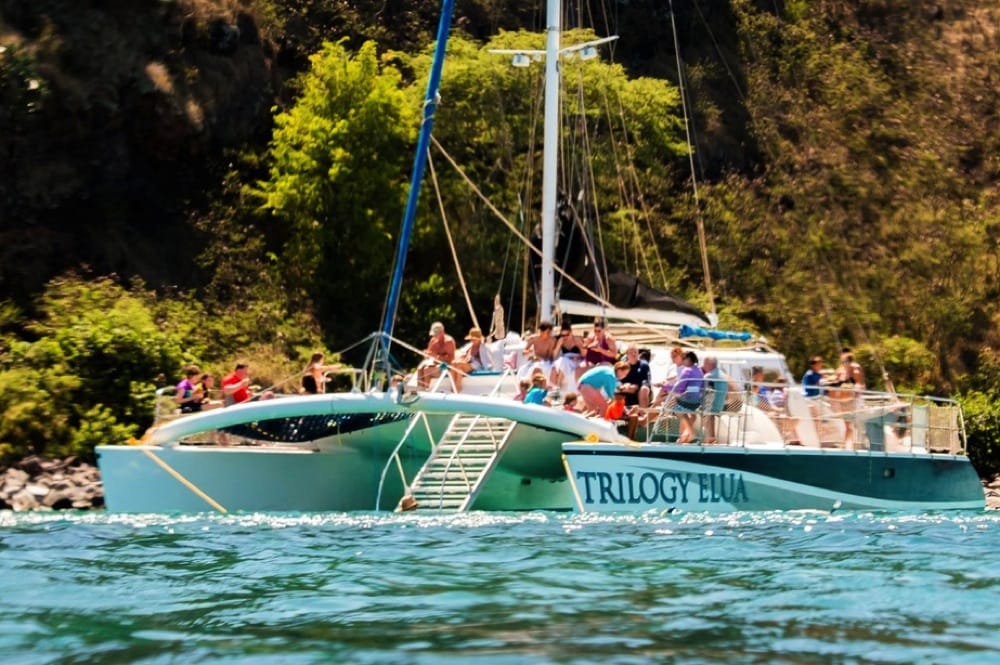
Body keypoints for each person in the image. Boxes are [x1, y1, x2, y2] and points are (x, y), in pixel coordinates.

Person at [668, 351, 705, 444]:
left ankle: (690, 432)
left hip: (688, 401)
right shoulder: (699, 371)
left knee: (674, 407)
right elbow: (700, 387)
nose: (682, 360)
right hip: (697, 402)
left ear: (688, 359)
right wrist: (687, 391)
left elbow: (678, 388)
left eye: (683, 358)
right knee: (687, 412)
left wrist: (664, 386)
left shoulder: (687, 370)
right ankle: (684, 436)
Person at [417, 321, 457, 389]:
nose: (434, 336)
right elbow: (429, 354)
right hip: (435, 364)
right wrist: (426, 354)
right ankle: (420, 389)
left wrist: (437, 356)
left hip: (446, 366)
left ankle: (426, 390)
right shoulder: (433, 341)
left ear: (442, 332)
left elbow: (451, 358)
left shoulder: (449, 342)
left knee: (427, 370)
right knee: (420, 368)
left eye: (436, 334)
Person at [550, 320, 585, 390]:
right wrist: (559, 345)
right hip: (565, 360)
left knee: (564, 362)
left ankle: (557, 386)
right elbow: (554, 356)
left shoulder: (577, 340)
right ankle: (553, 387)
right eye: (563, 335)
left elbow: (584, 354)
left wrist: (579, 348)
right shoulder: (560, 341)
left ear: (571, 333)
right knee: (555, 366)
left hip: (575, 360)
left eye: (567, 335)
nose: (565, 337)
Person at [701, 356, 728, 444]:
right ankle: (711, 437)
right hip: (721, 406)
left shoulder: (709, 376)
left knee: (689, 408)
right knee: (709, 413)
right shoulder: (722, 375)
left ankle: (706, 438)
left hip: (712, 406)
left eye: (704, 363)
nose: (703, 365)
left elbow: (704, 392)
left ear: (709, 364)